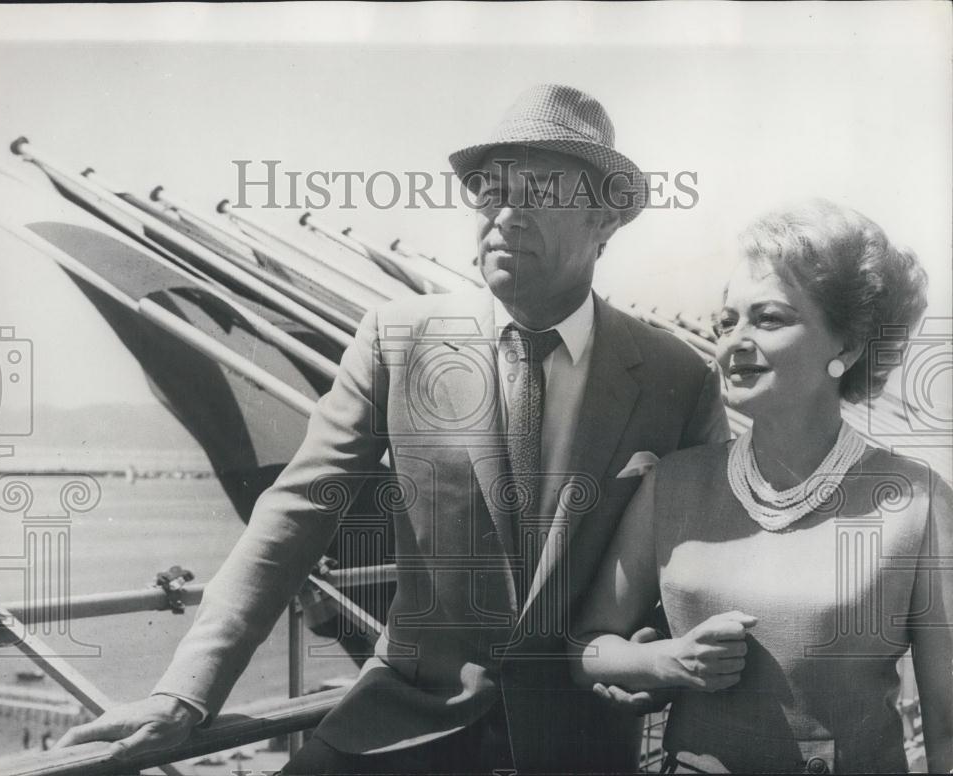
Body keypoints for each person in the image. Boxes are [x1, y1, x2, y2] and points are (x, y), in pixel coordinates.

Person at [56, 83, 729, 774]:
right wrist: (185, 693)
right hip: (403, 728)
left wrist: (645, 650)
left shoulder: (678, 377)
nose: (505, 213)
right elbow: (294, 514)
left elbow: (701, 566)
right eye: (489, 190)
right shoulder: (398, 338)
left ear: (605, 219)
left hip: (582, 742)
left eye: (541, 190)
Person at [572, 199, 952, 774]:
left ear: (846, 346)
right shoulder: (671, 485)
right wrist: (665, 663)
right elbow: (585, 648)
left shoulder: (916, 504)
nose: (733, 343)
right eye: (728, 322)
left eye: (768, 319)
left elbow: (947, 724)